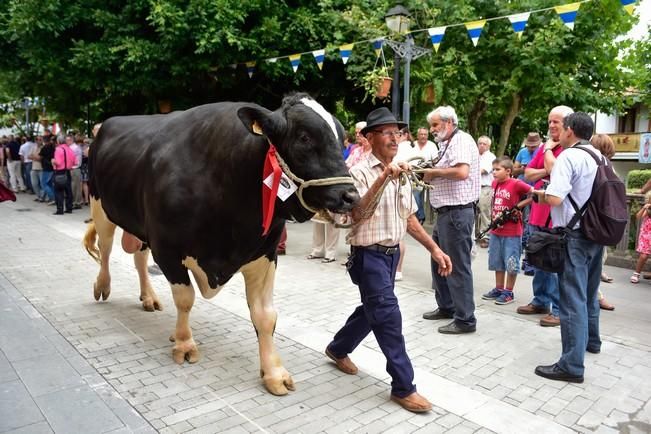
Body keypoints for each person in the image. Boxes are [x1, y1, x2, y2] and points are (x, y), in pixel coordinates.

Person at [326, 107, 452, 413]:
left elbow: (408, 218)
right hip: (367, 256)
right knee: (388, 317)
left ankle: (338, 348)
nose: (395, 138)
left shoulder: (401, 170)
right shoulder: (356, 171)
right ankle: (403, 386)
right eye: (387, 132)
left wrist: (434, 249)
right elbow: (355, 214)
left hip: (391, 255)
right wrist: (383, 178)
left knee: (374, 310)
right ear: (370, 138)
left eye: (398, 132)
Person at [533, 112, 603, 383]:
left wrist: (539, 194)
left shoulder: (569, 157)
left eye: (561, 127)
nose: (557, 132)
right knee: (589, 292)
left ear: (570, 130)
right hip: (597, 233)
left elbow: (554, 198)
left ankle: (571, 365)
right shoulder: (599, 156)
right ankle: (592, 342)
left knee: (572, 299)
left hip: (574, 235)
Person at [421, 105, 480, 334]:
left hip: (457, 212)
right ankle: (446, 306)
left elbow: (462, 172)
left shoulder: (461, 140)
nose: (432, 129)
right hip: (446, 212)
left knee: (457, 267)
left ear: (448, 122)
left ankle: (465, 319)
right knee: (439, 262)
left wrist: (434, 172)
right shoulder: (445, 144)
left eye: (435, 125)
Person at [518, 107, 573, 327]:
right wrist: (546, 169)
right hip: (538, 213)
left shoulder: (566, 148)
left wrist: (548, 156)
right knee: (538, 259)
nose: (551, 126)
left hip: (557, 216)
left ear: (567, 124)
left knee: (557, 264)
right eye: (549, 121)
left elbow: (556, 170)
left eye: (556, 122)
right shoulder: (544, 147)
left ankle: (559, 310)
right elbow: (528, 173)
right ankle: (540, 301)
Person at [481, 157, 533, 305]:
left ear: (508, 171)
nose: (494, 173)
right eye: (493, 170)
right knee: (497, 261)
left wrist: (518, 206)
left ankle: (509, 291)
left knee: (511, 262)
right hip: (497, 230)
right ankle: (499, 288)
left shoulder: (516, 184)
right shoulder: (494, 183)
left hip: (512, 232)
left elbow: (532, 194)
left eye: (498, 169)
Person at [589, 134, 616, 310]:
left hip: (595, 222)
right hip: (598, 223)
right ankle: (595, 297)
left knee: (596, 262)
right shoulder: (603, 168)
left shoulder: (607, 168)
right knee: (595, 262)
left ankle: (595, 297)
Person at [515, 133, 542, 273]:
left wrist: (532, 171)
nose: (531, 148)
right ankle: (526, 259)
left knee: (531, 224)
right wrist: (524, 169)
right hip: (523, 190)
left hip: (537, 192)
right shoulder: (522, 152)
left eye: (534, 146)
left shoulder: (543, 151)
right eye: (529, 146)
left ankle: (529, 260)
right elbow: (514, 170)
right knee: (526, 223)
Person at [476, 136, 497, 247]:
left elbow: (483, 171)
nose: (482, 145)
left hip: (485, 187)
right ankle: (476, 234)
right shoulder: (474, 155)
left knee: (484, 211)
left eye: (484, 144)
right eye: (480, 143)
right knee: (472, 211)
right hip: (474, 186)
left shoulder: (490, 157)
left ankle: (486, 237)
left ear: (488, 146)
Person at [52, 134, 76, 215]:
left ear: (58, 141)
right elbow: (75, 162)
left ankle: (60, 209)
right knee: (68, 191)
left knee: (58, 191)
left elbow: (58, 162)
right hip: (67, 171)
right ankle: (69, 208)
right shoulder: (70, 149)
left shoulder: (58, 149)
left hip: (59, 172)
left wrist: (53, 161)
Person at [630, 191, 651, 284]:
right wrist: (645, 208)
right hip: (647, 235)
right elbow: (638, 217)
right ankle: (636, 273)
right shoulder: (648, 209)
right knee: (643, 256)